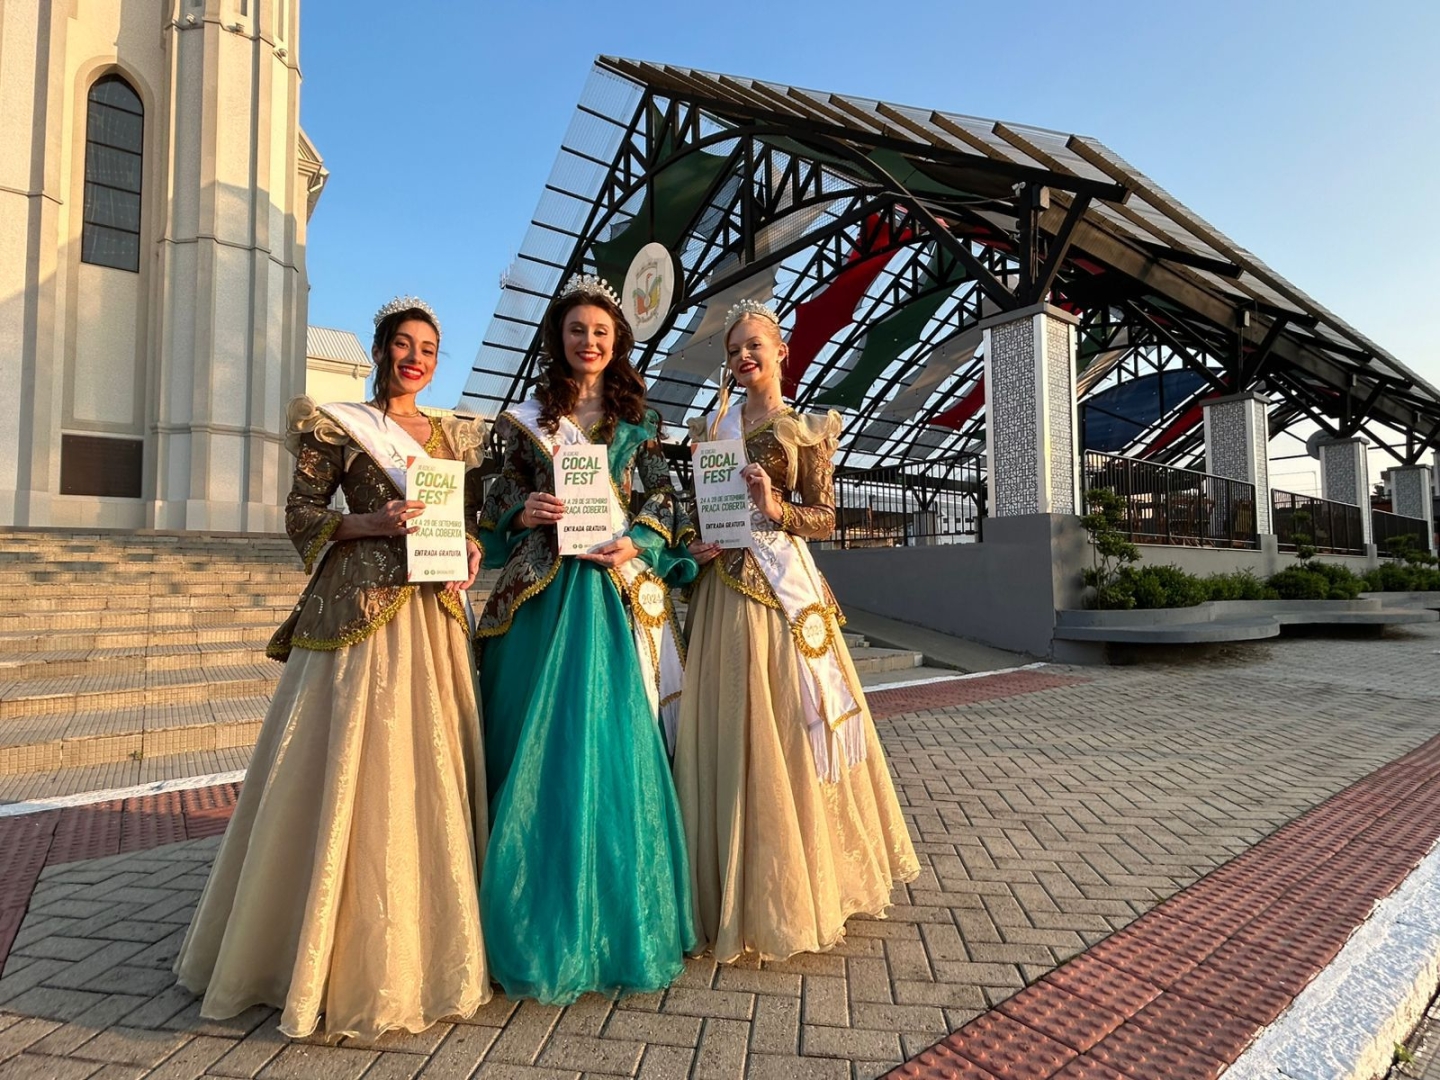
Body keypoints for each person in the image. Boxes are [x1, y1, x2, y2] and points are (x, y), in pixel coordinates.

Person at [174, 297, 490, 1039]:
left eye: (428, 349)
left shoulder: (451, 436)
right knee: (350, 759)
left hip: (432, 612)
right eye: (404, 345)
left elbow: (465, 520)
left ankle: (433, 929)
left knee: (427, 759)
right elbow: (301, 513)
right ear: (381, 351)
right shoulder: (339, 426)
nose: (416, 359)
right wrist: (369, 523)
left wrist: (472, 548)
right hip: (355, 610)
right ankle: (321, 937)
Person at [473, 272, 697, 1004]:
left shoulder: (641, 420)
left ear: (617, 341)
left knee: (605, 744)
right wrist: (525, 509)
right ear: (559, 339)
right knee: (526, 740)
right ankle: (521, 906)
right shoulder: (526, 421)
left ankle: (611, 916)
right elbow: (493, 495)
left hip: (608, 591)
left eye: (601, 331)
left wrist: (639, 539)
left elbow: (665, 497)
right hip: (539, 595)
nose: (589, 341)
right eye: (577, 330)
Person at [675, 298, 920, 963]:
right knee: (726, 729)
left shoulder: (805, 430)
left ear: (781, 351)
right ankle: (724, 882)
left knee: (787, 727)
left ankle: (797, 883)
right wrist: (693, 540)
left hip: (779, 596)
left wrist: (774, 505)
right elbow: (696, 508)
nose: (743, 357)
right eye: (733, 350)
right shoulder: (712, 429)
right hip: (721, 591)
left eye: (754, 345)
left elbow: (826, 518)